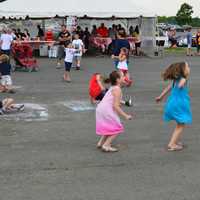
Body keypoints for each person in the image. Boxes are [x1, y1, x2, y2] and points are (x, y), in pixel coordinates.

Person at [156, 62, 192, 152]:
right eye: (187, 67)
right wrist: (183, 82)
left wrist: (160, 97)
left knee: (179, 124)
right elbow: (180, 85)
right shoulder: (183, 79)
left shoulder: (176, 80)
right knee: (181, 124)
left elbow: (168, 89)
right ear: (183, 70)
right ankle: (172, 144)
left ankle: (174, 141)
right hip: (179, 104)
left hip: (173, 103)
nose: (189, 68)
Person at [96, 71, 132, 152]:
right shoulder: (117, 89)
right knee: (117, 128)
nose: (124, 78)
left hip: (101, 109)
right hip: (106, 110)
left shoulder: (113, 87)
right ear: (117, 80)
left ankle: (101, 143)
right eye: (122, 76)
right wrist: (125, 115)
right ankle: (106, 145)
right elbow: (115, 106)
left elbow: (114, 101)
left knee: (109, 127)